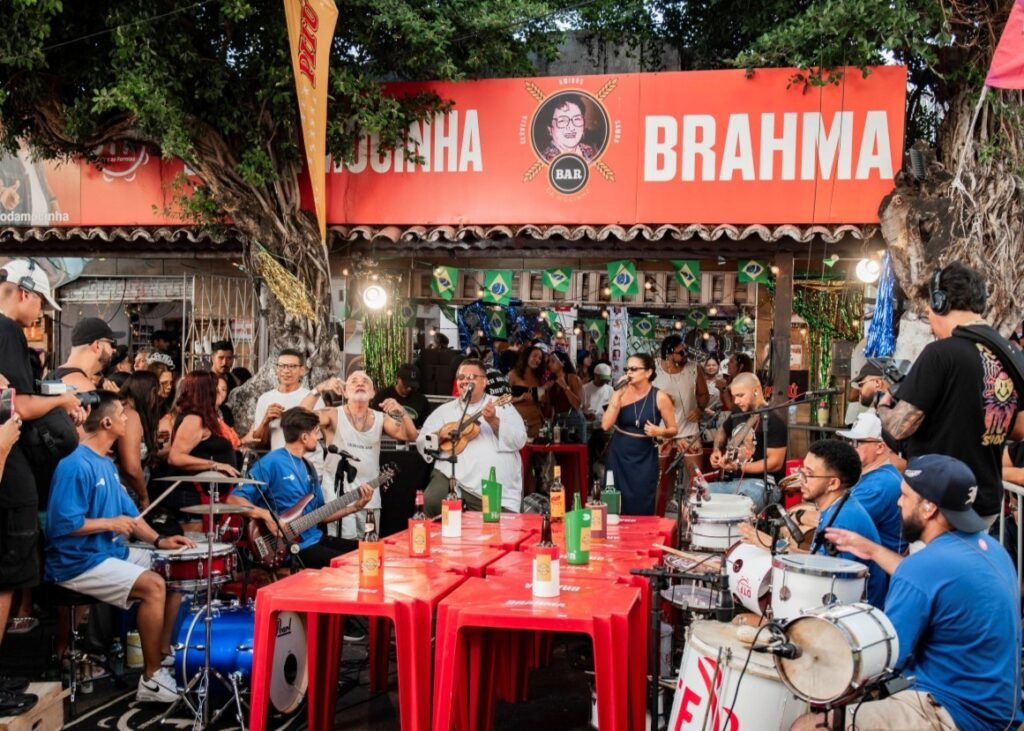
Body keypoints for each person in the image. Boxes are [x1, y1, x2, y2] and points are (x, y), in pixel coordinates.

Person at [799, 455, 1024, 731]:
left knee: (808, 725)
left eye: (905, 496)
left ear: (929, 508)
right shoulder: (992, 550)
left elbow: (887, 658)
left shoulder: (922, 568)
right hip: (1001, 710)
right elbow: (932, 581)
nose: (898, 503)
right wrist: (872, 550)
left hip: (954, 713)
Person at [45, 392, 195, 704]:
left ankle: (162, 653)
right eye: (122, 415)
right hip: (77, 561)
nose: (127, 420)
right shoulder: (75, 465)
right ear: (107, 422)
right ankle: (152, 678)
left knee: (177, 568)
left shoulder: (106, 464)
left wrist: (159, 541)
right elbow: (62, 524)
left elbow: (131, 516)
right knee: (154, 585)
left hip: (108, 552)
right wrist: (110, 524)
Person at [877, 262, 1024, 525]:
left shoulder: (940, 354)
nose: (931, 326)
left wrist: (883, 407)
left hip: (939, 503)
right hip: (986, 501)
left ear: (939, 302)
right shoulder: (1013, 356)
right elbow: (1019, 429)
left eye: (928, 314)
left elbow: (900, 427)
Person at [0, 260, 86, 699]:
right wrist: (64, 400)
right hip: (8, 470)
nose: (39, 316)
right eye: (40, 305)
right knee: (6, 578)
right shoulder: (6, 330)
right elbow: (17, 403)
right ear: (24, 293)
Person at [743, 439, 887, 608]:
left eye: (809, 474)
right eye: (802, 471)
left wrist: (774, 546)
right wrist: (775, 546)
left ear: (833, 483)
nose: (801, 479)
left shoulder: (843, 522)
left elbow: (826, 582)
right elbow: (820, 561)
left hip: (848, 612)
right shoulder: (838, 506)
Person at [227, 407, 373, 568]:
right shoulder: (271, 462)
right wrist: (266, 515)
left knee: (370, 552)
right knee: (354, 564)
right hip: (290, 547)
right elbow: (233, 499)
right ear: (304, 437)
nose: (319, 438)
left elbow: (320, 514)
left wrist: (355, 507)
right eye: (316, 432)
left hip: (315, 538)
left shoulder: (309, 466)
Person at [303, 370, 417, 539]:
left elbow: (411, 436)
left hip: (369, 497)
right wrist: (319, 389)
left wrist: (401, 411)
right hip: (338, 498)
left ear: (373, 393)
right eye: (354, 381)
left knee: (369, 546)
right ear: (345, 392)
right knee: (343, 548)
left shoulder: (381, 418)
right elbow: (299, 419)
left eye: (365, 381)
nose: (360, 383)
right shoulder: (333, 414)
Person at [417, 358, 528, 516]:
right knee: (432, 500)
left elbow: (520, 439)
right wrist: (440, 435)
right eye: (461, 377)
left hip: (492, 488)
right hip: (452, 479)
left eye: (471, 377)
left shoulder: (502, 405)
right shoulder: (444, 410)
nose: (464, 381)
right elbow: (422, 442)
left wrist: (494, 421)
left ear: (484, 382)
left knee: (498, 524)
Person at [601, 353, 677, 515]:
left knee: (642, 500)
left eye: (634, 369)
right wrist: (616, 395)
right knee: (614, 503)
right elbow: (606, 425)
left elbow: (673, 429)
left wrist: (660, 431)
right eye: (627, 369)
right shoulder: (621, 393)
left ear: (648, 372)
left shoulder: (660, 396)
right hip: (618, 454)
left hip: (644, 456)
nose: (629, 373)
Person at [707, 372, 787, 512]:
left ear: (755, 391)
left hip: (761, 484)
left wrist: (738, 467)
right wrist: (716, 450)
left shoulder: (773, 420)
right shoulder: (738, 412)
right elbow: (722, 431)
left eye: (740, 395)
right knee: (699, 493)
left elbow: (775, 463)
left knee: (743, 500)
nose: (736, 401)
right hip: (733, 482)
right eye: (734, 396)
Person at [654, 334, 710, 512]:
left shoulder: (694, 368)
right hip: (662, 431)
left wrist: (699, 410)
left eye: (686, 350)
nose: (686, 354)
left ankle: (694, 515)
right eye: (681, 352)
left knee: (696, 475)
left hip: (688, 430)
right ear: (669, 353)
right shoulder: (655, 369)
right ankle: (658, 514)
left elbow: (704, 394)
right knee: (659, 476)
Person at [837, 412, 905, 554]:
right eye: (849, 441)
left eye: (857, 442)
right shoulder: (879, 475)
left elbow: (837, 522)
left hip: (875, 564)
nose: (850, 447)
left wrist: (800, 515)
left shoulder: (879, 485)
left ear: (880, 447)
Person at [116, 371, 162, 509]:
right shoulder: (130, 415)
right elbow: (131, 466)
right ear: (150, 393)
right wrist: (144, 496)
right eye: (156, 393)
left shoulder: (127, 412)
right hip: (126, 489)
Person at [54, 317, 124, 395]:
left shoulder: (54, 375)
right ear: (97, 346)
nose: (114, 350)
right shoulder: (84, 388)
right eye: (112, 344)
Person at [369, 363, 434, 429]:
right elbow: (373, 421)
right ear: (398, 379)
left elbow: (428, 426)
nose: (409, 388)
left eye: (412, 386)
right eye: (406, 385)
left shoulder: (421, 400)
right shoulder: (382, 396)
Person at [544, 350, 585, 442]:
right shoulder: (551, 382)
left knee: (576, 447)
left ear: (562, 362)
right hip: (557, 420)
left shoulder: (572, 378)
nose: (550, 364)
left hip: (573, 418)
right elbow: (549, 410)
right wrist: (546, 392)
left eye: (553, 361)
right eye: (549, 362)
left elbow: (577, 405)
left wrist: (565, 387)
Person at [541, 95, 597, 162]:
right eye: (562, 120)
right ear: (549, 129)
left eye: (577, 119)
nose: (571, 127)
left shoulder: (592, 151)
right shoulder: (544, 161)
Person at [509, 344, 547, 439]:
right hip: (517, 422)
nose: (537, 360)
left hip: (536, 423)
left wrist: (543, 395)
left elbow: (542, 401)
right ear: (527, 356)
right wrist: (519, 398)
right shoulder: (513, 374)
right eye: (534, 356)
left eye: (540, 358)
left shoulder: (539, 378)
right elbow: (502, 399)